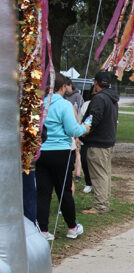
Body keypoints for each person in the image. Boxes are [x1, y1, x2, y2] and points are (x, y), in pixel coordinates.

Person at [36, 74, 91, 240]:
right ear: (61, 87)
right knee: (64, 191)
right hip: (60, 152)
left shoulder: (39, 104)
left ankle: (42, 230)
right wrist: (85, 128)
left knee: (43, 192)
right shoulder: (64, 105)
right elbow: (71, 130)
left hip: (41, 152)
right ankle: (72, 227)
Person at [80, 71, 119, 214]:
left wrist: (84, 131)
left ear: (96, 83)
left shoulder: (99, 99)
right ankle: (104, 201)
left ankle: (100, 206)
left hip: (98, 142)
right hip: (108, 141)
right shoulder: (112, 99)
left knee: (98, 175)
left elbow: (93, 118)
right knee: (105, 172)